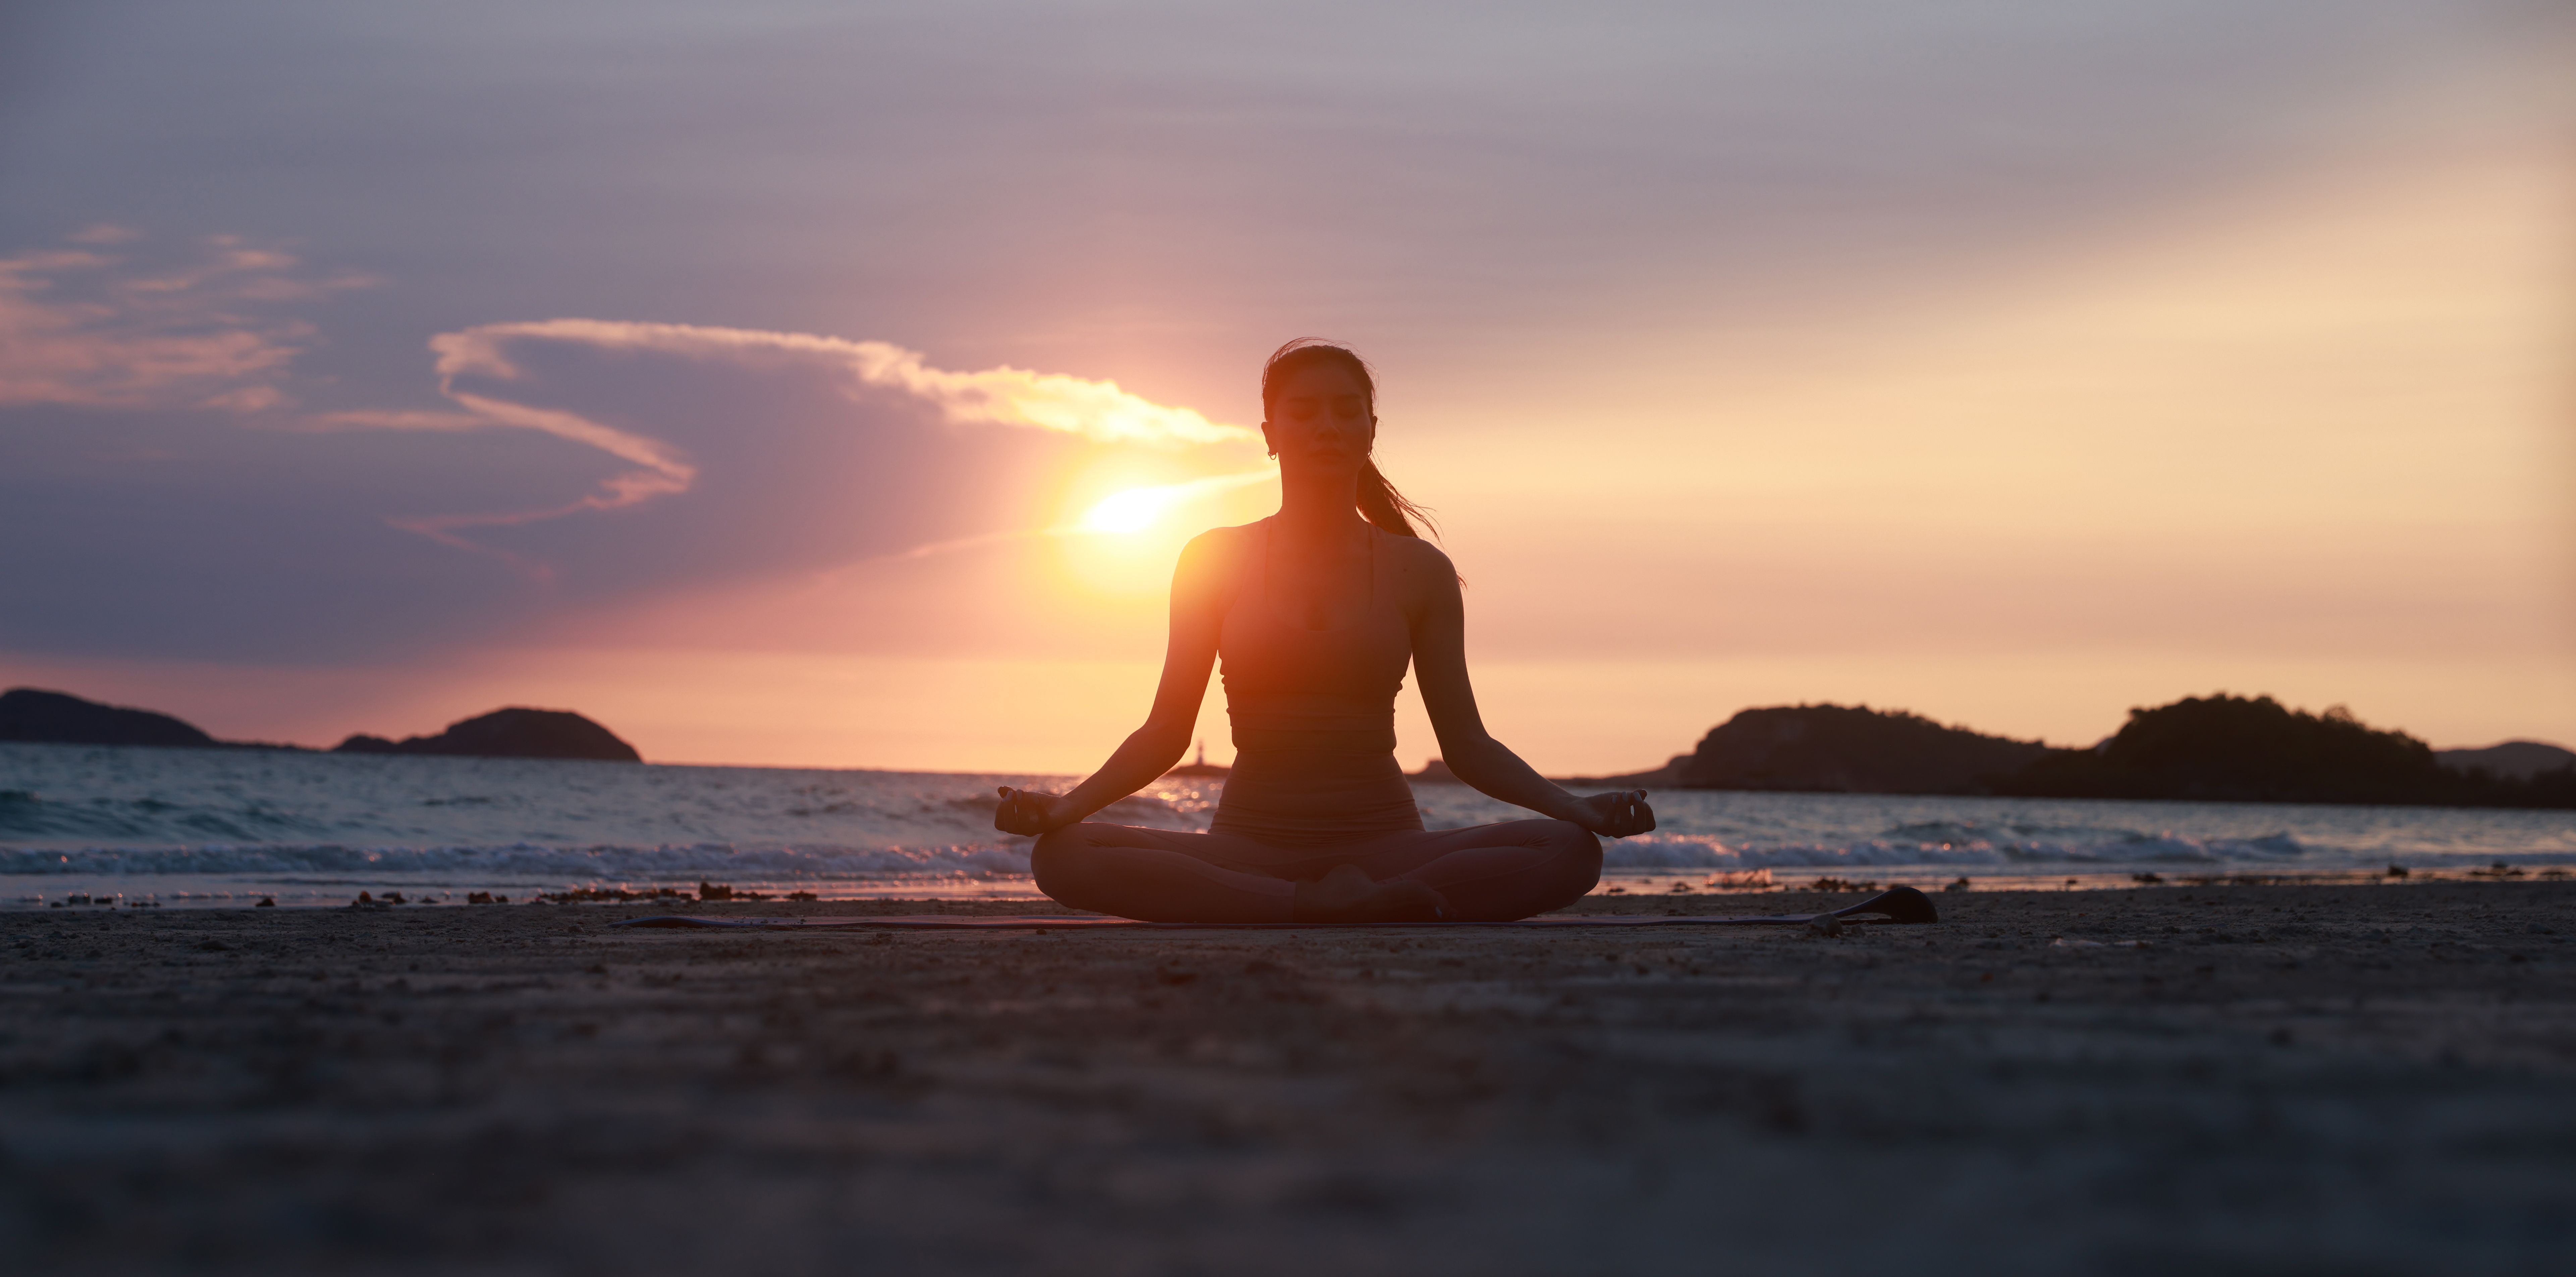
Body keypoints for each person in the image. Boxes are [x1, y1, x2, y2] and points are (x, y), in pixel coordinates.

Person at [995, 340, 1654, 922]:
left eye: (1346, 409)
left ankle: (1323, 899)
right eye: (1304, 411)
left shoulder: (1418, 569)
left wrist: (1580, 809)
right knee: (1066, 856)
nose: (1327, 426)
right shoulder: (1211, 557)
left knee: (1567, 851)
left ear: (1372, 428)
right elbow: (1166, 733)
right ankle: (1319, 903)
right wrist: (1065, 808)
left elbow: (1468, 746)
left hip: (1386, 844)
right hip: (1249, 842)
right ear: (1270, 432)